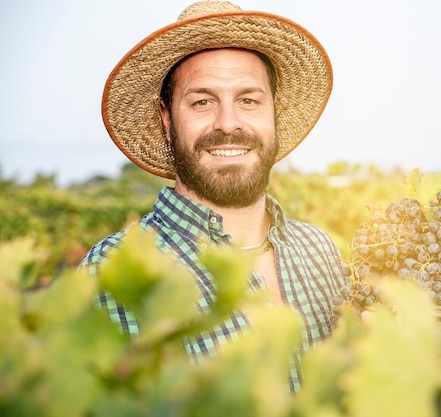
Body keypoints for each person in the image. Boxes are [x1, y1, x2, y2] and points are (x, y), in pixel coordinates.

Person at [80, 0, 350, 392]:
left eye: (249, 100)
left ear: (274, 111)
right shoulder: (113, 275)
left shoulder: (320, 250)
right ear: (167, 118)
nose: (228, 123)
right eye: (202, 101)